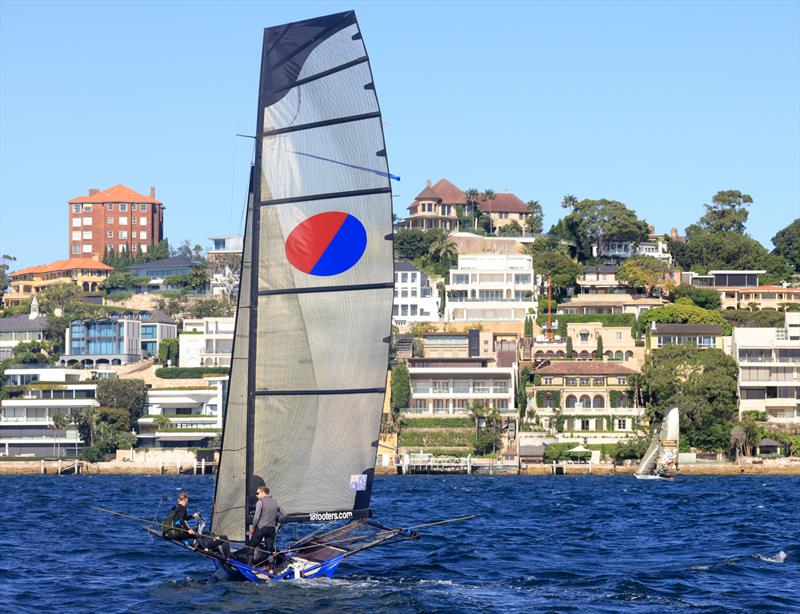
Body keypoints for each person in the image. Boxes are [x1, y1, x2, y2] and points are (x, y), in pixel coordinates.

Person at [246, 485, 285, 565]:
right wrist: (277, 521)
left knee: (251, 546)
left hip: (261, 528)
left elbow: (256, 518)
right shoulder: (276, 501)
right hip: (271, 529)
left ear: (263, 492)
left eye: (257, 493)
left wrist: (253, 527)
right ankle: (271, 568)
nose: (256, 495)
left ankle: (248, 566)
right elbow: (285, 515)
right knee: (269, 550)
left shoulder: (260, 502)